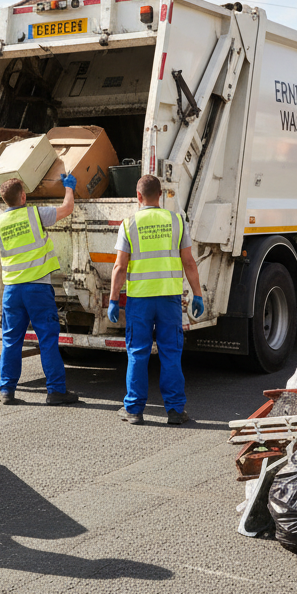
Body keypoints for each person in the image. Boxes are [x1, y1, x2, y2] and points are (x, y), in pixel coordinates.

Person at [107, 175, 205, 425]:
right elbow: (189, 262)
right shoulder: (176, 221)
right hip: (169, 298)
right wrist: (197, 294)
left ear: (138, 196)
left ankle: (134, 410)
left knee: (138, 353)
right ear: (160, 195)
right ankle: (174, 411)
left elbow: (119, 266)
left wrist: (113, 300)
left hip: (139, 300)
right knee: (170, 353)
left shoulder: (128, 224)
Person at [0, 174, 81, 406]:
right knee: (47, 340)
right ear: (23, 196)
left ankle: (7, 390)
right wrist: (69, 187)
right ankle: (55, 391)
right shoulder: (35, 214)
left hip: (12, 290)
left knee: (11, 341)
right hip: (38, 289)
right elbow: (67, 208)